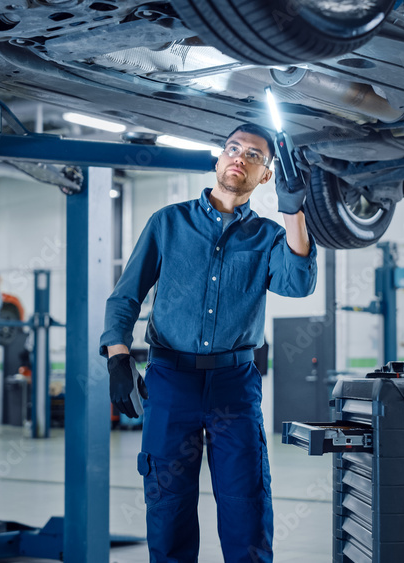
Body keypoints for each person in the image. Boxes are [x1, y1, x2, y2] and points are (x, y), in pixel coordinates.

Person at [100, 123, 317, 562]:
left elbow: (298, 283)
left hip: (234, 386)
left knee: (246, 504)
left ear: (266, 176)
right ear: (218, 160)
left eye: (254, 155)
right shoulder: (168, 223)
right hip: (169, 381)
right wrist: (118, 358)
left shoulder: (269, 236)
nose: (240, 157)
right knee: (168, 503)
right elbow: (125, 296)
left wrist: (294, 210)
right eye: (233, 148)